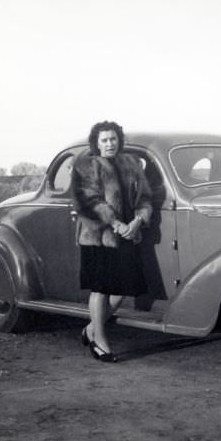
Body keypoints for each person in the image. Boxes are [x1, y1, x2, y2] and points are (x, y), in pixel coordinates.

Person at [71, 120, 152, 362]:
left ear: (119, 140)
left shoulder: (132, 164)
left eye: (113, 138)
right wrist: (116, 224)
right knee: (101, 289)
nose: (110, 143)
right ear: (96, 142)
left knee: (122, 290)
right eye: (104, 140)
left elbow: (145, 197)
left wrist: (138, 221)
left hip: (128, 235)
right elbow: (88, 201)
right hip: (99, 237)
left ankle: (91, 329)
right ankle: (100, 342)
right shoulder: (86, 164)